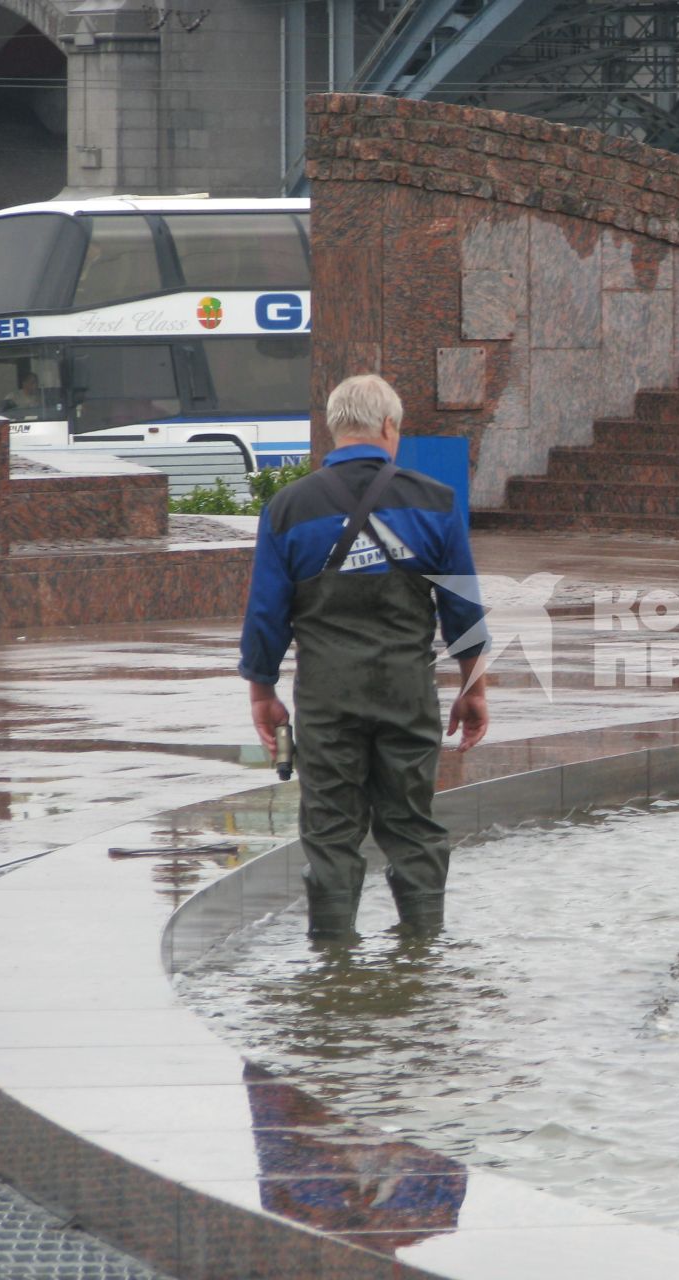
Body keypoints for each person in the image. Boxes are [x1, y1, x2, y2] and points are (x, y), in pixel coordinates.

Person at [239, 373, 488, 942]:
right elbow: (462, 610)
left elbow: (265, 615)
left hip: (327, 698)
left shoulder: (287, 509)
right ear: (388, 427)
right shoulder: (435, 502)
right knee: (411, 823)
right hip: (407, 693)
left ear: (335, 429)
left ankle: (332, 968)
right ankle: (422, 953)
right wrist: (473, 689)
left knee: (329, 830)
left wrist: (262, 691)